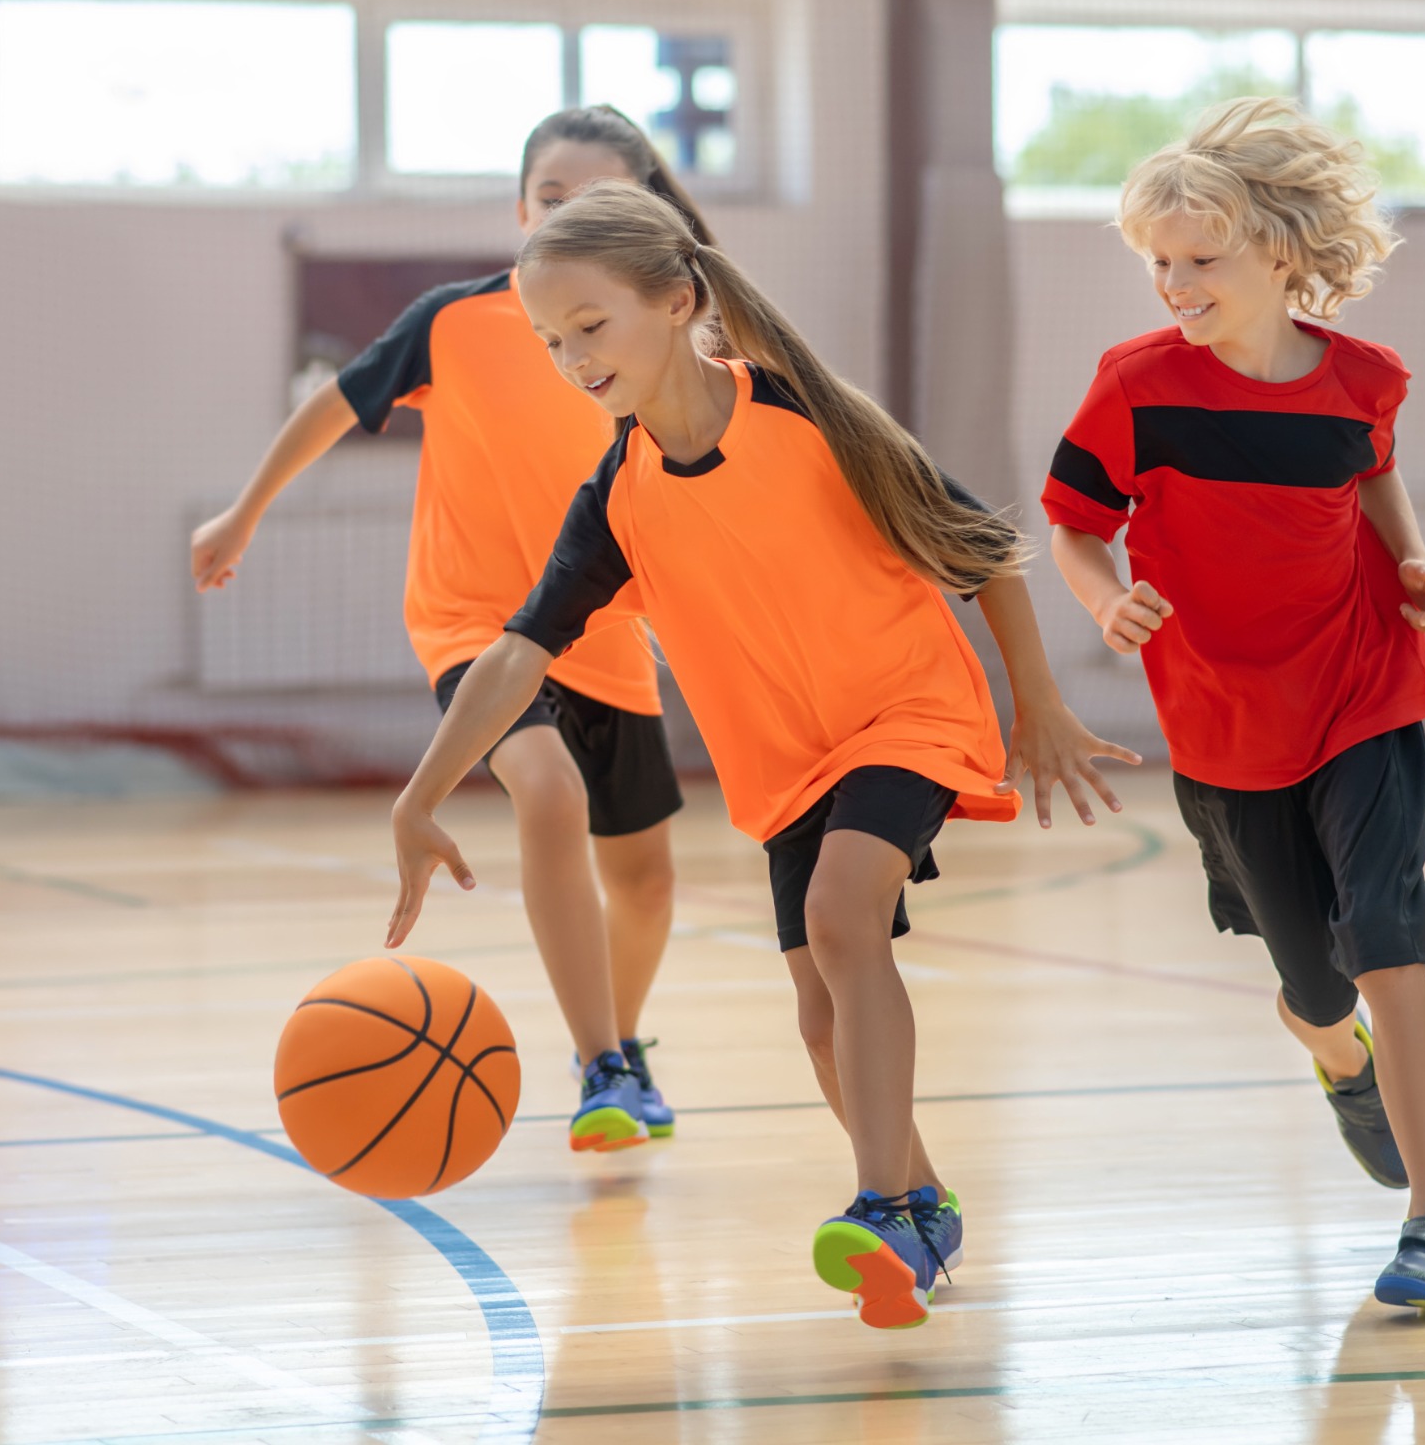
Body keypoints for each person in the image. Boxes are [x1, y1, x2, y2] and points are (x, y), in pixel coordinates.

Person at [385, 179, 1141, 1331]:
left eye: (591, 326)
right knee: (819, 1012)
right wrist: (421, 794)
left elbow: (982, 546)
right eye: (549, 339)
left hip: (905, 709)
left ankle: (883, 1199)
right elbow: (516, 654)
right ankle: (925, 1198)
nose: (570, 357)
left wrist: (1034, 702)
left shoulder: (802, 412)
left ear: (678, 300)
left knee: (845, 920)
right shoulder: (616, 497)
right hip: (784, 765)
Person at [192, 108, 703, 1154]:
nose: (569, 215)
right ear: (523, 211)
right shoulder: (454, 322)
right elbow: (333, 406)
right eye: (554, 199)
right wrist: (244, 509)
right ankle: (604, 1060)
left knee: (646, 878)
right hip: (475, 621)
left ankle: (618, 1043)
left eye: (600, 201)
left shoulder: (663, 339)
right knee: (549, 789)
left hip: (606, 631)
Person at [1042, 97, 1425, 1311]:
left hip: (1362, 686)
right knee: (1318, 982)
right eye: (1159, 263)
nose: (1174, 283)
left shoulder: (1366, 378)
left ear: (1281, 251)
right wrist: (1103, 599)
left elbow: (1374, 473)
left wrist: (1413, 564)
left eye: (1201, 260)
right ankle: (1341, 1059)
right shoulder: (1136, 386)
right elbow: (1075, 525)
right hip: (1225, 723)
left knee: (1389, 935)